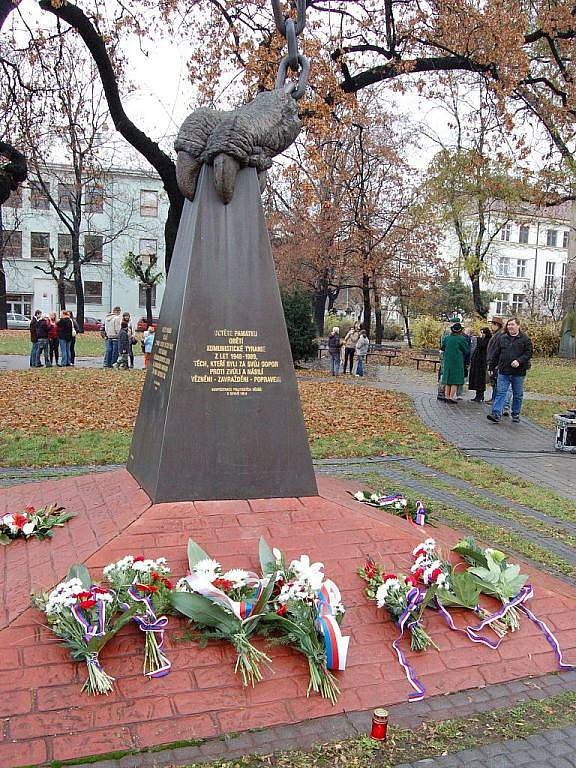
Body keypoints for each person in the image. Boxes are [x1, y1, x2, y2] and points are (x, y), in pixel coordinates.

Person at [487, 317, 533, 424]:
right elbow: (496, 354)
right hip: (504, 371)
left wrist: (519, 361)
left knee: (517, 394)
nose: (510, 327)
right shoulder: (502, 338)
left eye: (512, 325)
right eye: (508, 325)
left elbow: (528, 353)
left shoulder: (525, 339)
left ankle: (515, 413)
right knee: (501, 392)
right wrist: (491, 366)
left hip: (518, 372)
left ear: (518, 326)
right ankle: (496, 413)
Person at [440, 322, 470, 403]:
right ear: (460, 330)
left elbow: (442, 348)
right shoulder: (461, 339)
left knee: (448, 378)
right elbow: (466, 350)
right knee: (455, 380)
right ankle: (451, 397)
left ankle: (446, 396)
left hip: (448, 360)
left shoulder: (446, 338)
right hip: (457, 361)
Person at [468, 327, 492, 402]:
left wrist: (479, 339)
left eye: (483, 333)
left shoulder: (488, 340)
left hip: (482, 361)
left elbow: (481, 345)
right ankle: (477, 395)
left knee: (480, 379)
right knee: (476, 378)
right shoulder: (482, 339)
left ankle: (480, 395)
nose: (481, 334)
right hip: (477, 361)